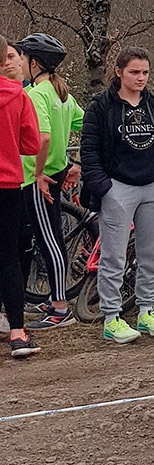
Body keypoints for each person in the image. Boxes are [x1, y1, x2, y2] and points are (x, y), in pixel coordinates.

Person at [80, 47, 154, 342]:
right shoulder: (100, 106)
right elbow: (89, 150)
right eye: (134, 72)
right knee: (114, 257)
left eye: (145, 73)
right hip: (118, 188)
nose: (140, 78)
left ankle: (146, 311)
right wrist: (104, 188)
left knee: (151, 255)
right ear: (119, 72)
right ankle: (111, 318)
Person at [15, 34, 83, 331]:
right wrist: (74, 163)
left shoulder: (37, 94)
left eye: (21, 58)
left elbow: (42, 137)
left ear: (33, 62)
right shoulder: (61, 93)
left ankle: (60, 307)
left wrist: (38, 172)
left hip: (36, 177)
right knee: (51, 237)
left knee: (49, 241)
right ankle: (54, 298)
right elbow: (86, 123)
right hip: (55, 172)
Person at [0, 34, 43, 359]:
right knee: (8, 258)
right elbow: (31, 145)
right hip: (8, 185)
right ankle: (17, 333)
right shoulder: (18, 96)